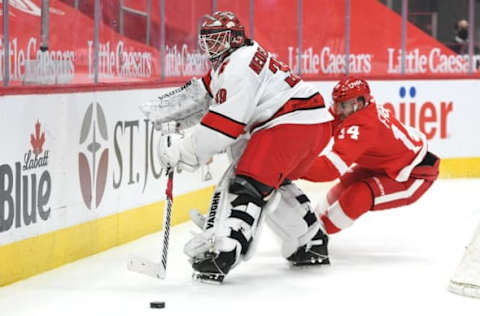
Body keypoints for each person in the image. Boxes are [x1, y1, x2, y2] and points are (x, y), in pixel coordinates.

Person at [143, 11, 333, 283]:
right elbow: (202, 94)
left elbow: (223, 127)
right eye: (207, 41)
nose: (212, 48)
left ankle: (222, 250)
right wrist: (158, 111)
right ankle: (308, 239)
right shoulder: (236, 59)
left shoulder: (240, 68)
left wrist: (183, 152)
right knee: (264, 183)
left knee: (247, 184)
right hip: (309, 124)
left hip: (292, 125)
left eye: (218, 40)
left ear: (235, 39)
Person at [302, 77, 440, 237]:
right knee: (345, 183)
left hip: (413, 176)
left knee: (359, 195)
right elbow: (323, 128)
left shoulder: (364, 126)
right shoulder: (356, 110)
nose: (337, 110)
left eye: (343, 105)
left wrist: (292, 168)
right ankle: (312, 222)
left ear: (359, 103)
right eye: (336, 103)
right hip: (387, 164)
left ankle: (314, 237)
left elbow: (330, 169)